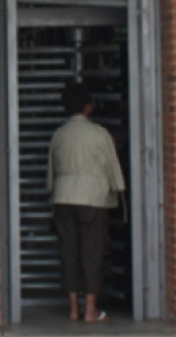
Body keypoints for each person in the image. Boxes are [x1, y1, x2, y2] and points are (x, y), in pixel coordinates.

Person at [48, 80, 126, 323]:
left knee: (69, 253)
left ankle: (73, 309)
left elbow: (51, 172)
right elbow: (114, 170)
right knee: (91, 253)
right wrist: (119, 188)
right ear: (88, 107)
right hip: (93, 198)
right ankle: (91, 310)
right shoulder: (100, 134)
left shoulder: (58, 134)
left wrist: (53, 189)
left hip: (63, 197)